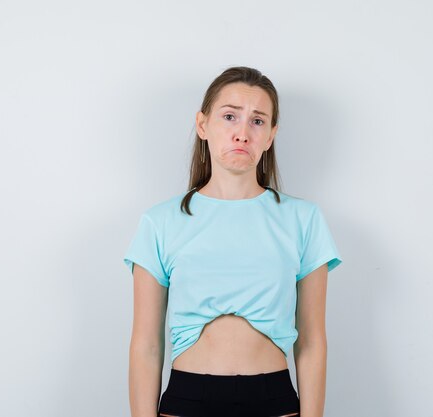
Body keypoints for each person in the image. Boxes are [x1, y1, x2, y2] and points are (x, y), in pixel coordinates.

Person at [123, 66, 343, 417]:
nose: (242, 133)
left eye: (257, 121)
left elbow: (312, 341)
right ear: (203, 125)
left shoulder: (303, 219)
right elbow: (146, 345)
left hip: (274, 399)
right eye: (230, 116)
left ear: (270, 135)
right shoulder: (160, 222)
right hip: (187, 400)